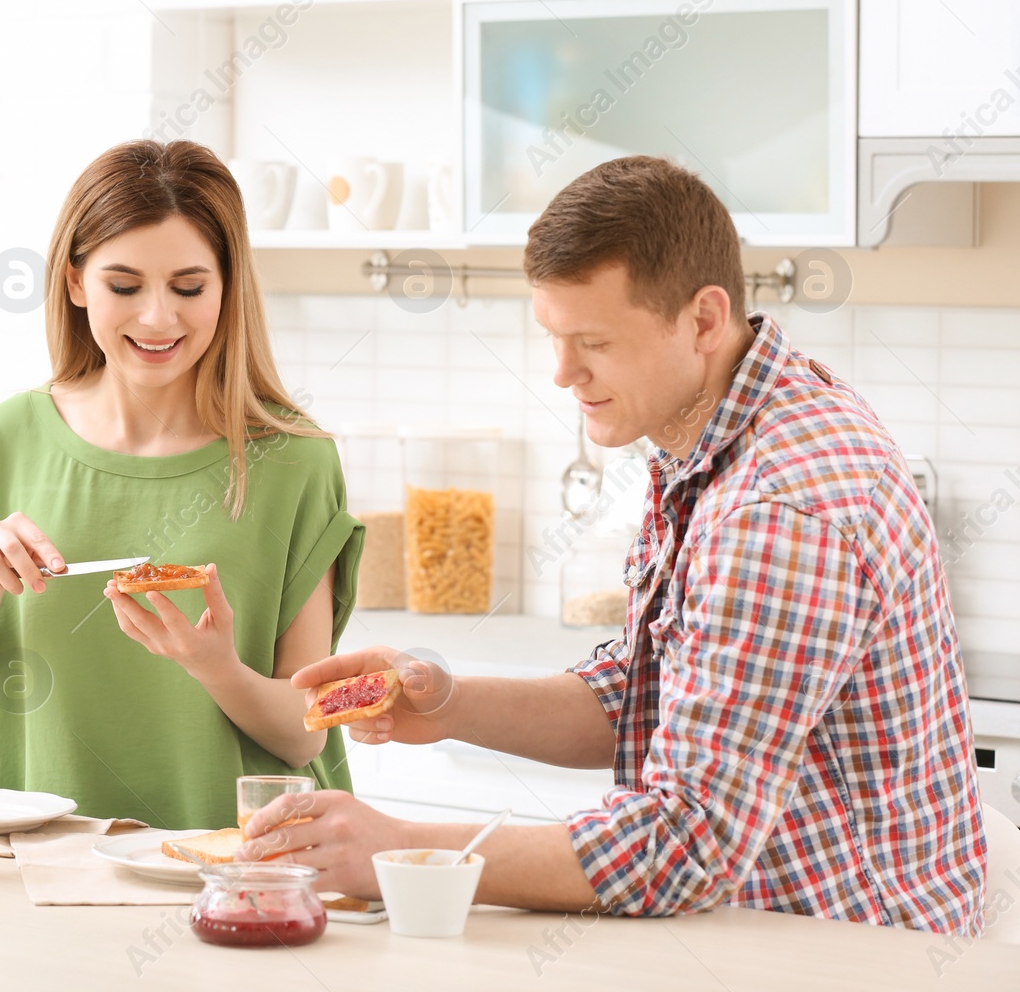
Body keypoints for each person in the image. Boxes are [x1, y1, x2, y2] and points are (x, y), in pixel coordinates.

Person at [237, 155, 987, 937]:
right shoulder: (722, 426)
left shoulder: (779, 507)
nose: (562, 374)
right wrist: (446, 701)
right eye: (554, 337)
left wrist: (400, 848)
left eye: (592, 340)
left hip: (848, 960)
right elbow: (657, 688)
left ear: (702, 318)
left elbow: (683, 842)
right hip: (764, 934)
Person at [0, 139, 364, 829]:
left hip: (244, 877)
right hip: (48, 873)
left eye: (189, 287)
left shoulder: (295, 462)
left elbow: (305, 731)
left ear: (227, 284)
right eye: (124, 286)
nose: (158, 317)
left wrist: (217, 666)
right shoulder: (8, 439)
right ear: (74, 282)